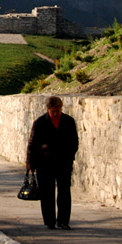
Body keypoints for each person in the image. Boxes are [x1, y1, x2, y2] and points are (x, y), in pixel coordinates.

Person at [26, 95, 79, 230]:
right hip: (45, 163)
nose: (56, 114)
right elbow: (32, 144)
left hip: (63, 162)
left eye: (58, 111)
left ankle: (63, 220)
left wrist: (69, 156)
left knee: (64, 192)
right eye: (53, 111)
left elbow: (74, 142)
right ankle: (49, 221)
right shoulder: (40, 123)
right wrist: (31, 163)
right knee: (47, 192)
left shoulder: (68, 121)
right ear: (48, 109)